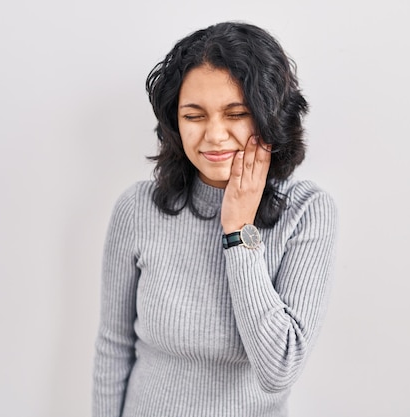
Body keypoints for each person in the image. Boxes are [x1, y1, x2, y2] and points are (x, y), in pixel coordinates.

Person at [93, 21, 338, 417]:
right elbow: (113, 345)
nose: (215, 135)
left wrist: (239, 232)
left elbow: (279, 370)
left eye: (235, 113)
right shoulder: (137, 208)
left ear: (269, 116)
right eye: (195, 116)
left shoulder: (307, 211)